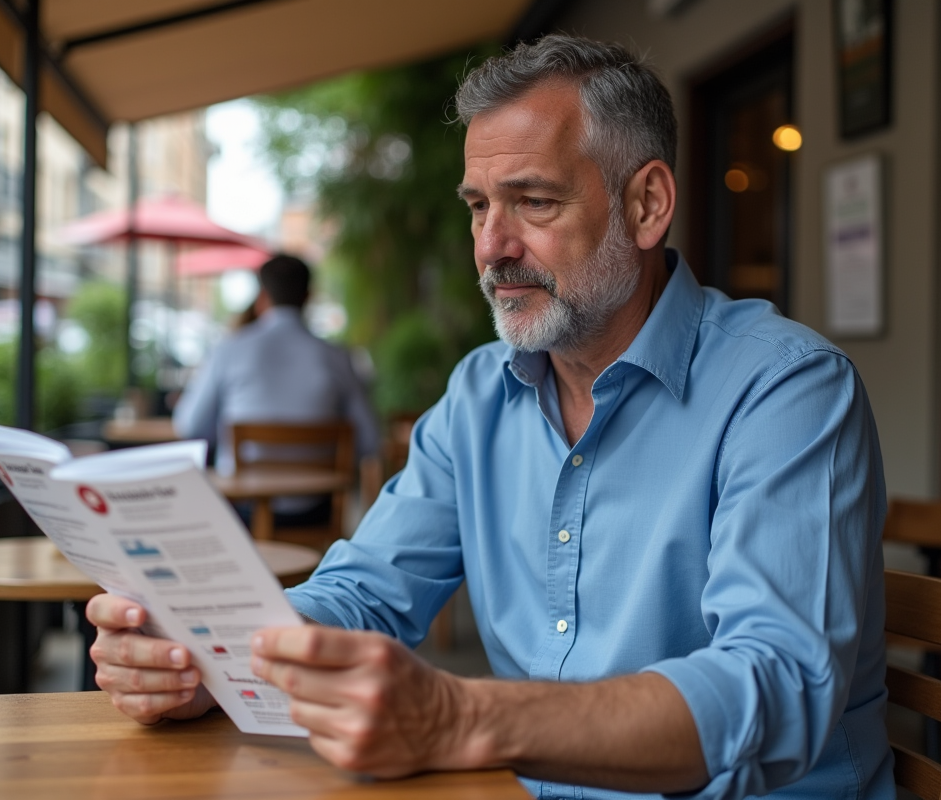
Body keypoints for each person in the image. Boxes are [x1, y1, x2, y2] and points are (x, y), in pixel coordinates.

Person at [88, 35, 892, 800]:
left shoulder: (786, 391)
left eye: (533, 202)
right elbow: (366, 593)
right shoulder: (480, 394)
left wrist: (462, 717)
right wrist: (209, 658)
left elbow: (776, 685)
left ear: (646, 205)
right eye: (479, 207)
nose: (492, 246)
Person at [172, 254, 380, 522]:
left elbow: (189, 427)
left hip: (241, 514)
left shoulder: (228, 350)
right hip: (317, 513)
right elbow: (370, 441)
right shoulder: (339, 358)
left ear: (262, 297)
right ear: (308, 297)